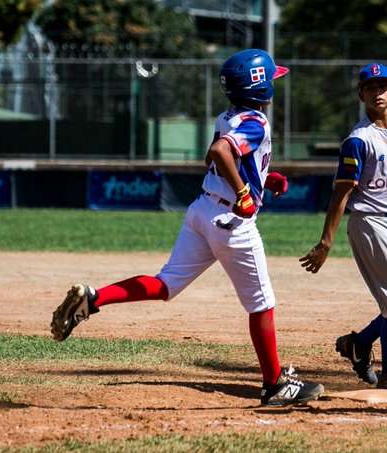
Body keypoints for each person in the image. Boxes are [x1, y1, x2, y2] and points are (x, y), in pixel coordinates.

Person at [50, 48, 324, 407]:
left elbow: (221, 155)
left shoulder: (228, 116)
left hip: (202, 211)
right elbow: (220, 153)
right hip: (231, 223)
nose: (275, 83)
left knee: (166, 284)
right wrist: (244, 192)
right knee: (262, 304)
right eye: (272, 79)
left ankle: (94, 297)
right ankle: (274, 384)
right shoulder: (256, 122)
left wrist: (262, 178)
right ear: (261, 89)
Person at [299, 63, 387, 393]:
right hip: (369, 223)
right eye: (370, 87)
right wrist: (325, 243)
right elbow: (340, 194)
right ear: (361, 94)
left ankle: (359, 343)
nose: (377, 92)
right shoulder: (357, 141)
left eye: (383, 86)